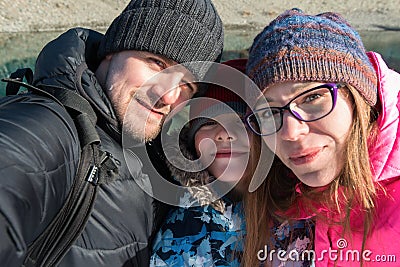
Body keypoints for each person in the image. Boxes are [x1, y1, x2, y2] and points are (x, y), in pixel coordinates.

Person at [0, 0, 224, 266]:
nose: (169, 96)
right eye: (157, 63)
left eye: (187, 84)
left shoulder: (164, 155)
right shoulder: (47, 128)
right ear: (112, 50)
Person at [243, 8, 400, 267]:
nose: (291, 133)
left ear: (358, 97)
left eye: (312, 98)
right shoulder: (281, 196)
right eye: (269, 112)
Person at [150, 59, 258, 266]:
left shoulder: (303, 214)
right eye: (209, 123)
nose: (224, 135)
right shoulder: (177, 222)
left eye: (241, 122)